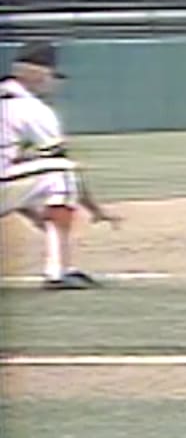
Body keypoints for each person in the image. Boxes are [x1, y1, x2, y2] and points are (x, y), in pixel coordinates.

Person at [1, 40, 120, 289]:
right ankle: (58, 271)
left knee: (42, 170)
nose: (53, 83)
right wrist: (96, 210)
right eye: (52, 75)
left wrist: (32, 211)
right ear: (37, 72)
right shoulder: (31, 108)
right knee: (61, 172)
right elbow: (60, 164)